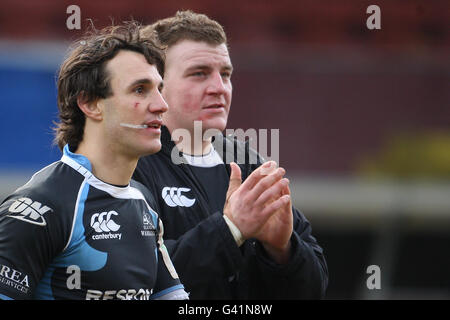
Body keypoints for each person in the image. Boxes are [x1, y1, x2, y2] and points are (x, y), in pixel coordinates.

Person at [133, 11, 328, 299]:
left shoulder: (250, 163)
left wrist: (283, 250)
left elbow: (313, 291)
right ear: (156, 85)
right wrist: (230, 229)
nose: (219, 88)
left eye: (225, 74)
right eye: (199, 74)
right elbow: (138, 278)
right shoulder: (131, 164)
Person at [0, 22, 188, 300]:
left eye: (159, 89)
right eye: (140, 89)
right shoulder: (39, 209)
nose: (162, 104)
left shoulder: (143, 202)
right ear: (89, 104)